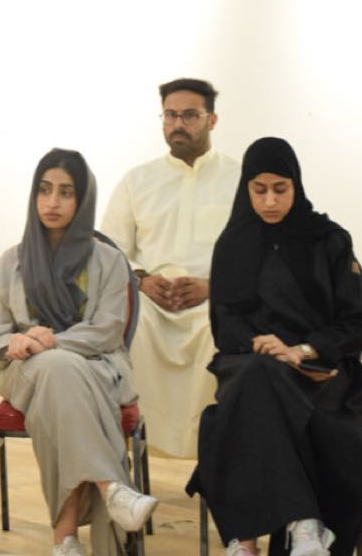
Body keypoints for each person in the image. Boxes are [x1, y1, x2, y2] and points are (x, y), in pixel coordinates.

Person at [187, 138, 362, 556]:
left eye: (280, 189)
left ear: (297, 185)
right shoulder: (233, 244)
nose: (270, 201)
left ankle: (244, 539)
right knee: (260, 375)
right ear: (246, 188)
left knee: (237, 415)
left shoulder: (329, 240)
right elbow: (225, 326)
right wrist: (261, 344)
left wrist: (302, 350)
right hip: (249, 361)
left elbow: (356, 325)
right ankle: (305, 525)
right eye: (259, 190)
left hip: (318, 374)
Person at [0, 148, 158, 556]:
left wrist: (50, 342)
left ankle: (65, 539)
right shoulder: (11, 262)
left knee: (59, 377)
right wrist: (18, 342)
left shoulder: (109, 261)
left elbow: (107, 331)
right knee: (58, 372)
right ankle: (111, 488)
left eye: (65, 193)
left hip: (98, 365)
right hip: (23, 368)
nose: (52, 202)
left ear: (83, 200)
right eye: (44, 190)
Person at [99, 77, 240, 458]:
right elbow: (109, 247)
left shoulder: (238, 180)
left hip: (213, 299)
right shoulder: (137, 181)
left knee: (219, 332)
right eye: (170, 115)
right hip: (151, 300)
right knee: (132, 330)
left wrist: (214, 287)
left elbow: (253, 255)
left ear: (212, 120)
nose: (178, 124)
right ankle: (131, 442)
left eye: (190, 115)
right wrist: (142, 280)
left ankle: (213, 453)